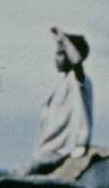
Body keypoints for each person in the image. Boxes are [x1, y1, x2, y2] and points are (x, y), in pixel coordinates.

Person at [16, 27, 94, 175]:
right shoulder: (63, 83)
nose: (56, 59)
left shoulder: (78, 79)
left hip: (62, 151)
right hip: (48, 150)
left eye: (60, 54)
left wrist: (64, 39)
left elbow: (77, 63)